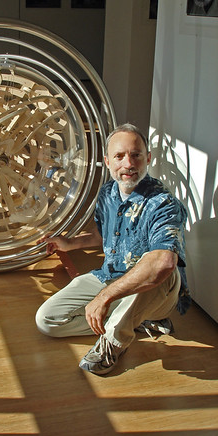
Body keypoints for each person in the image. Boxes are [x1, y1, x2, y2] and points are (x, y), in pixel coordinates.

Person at [35, 123, 191, 375]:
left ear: (147, 158)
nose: (128, 164)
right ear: (107, 161)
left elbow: (163, 263)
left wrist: (104, 298)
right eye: (119, 156)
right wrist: (70, 243)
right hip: (109, 276)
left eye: (136, 155)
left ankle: (114, 342)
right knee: (47, 321)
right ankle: (135, 321)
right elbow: (104, 235)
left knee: (159, 267)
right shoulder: (107, 192)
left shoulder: (163, 204)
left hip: (156, 290)